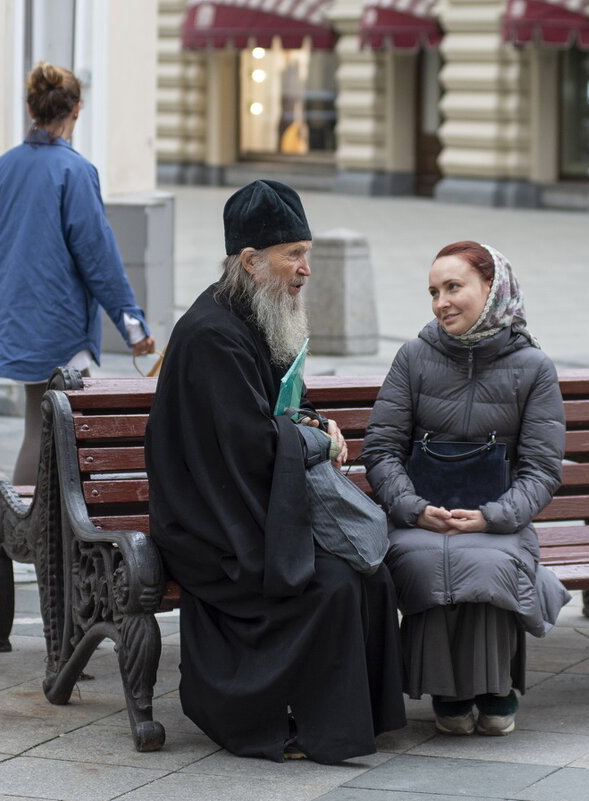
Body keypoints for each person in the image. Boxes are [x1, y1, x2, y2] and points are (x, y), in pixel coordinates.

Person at [144, 179, 406, 763]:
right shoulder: (213, 334)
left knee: (372, 573)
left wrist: (312, 422)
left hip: (253, 507)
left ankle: (358, 719)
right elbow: (250, 446)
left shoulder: (254, 314)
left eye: (306, 253)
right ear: (250, 260)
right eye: (294, 255)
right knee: (333, 584)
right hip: (215, 528)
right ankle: (273, 720)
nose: (305, 269)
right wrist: (312, 438)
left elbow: (276, 409)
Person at [361, 241, 571, 737]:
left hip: (499, 515)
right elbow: (382, 448)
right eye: (434, 291)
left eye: (454, 287)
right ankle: (450, 693)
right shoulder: (413, 357)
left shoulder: (534, 367)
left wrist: (495, 516)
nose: (441, 302)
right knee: (425, 556)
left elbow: (542, 468)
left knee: (491, 556)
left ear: (492, 289)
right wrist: (412, 509)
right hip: (419, 514)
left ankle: (494, 687)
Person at [0, 61, 155, 486]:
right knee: (73, 433)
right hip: (60, 323)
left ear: (30, 107)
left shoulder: (2, 167)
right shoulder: (75, 171)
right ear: (76, 110)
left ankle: (27, 535)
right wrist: (133, 329)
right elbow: (99, 259)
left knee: (35, 429)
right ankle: (58, 540)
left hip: (16, 316)